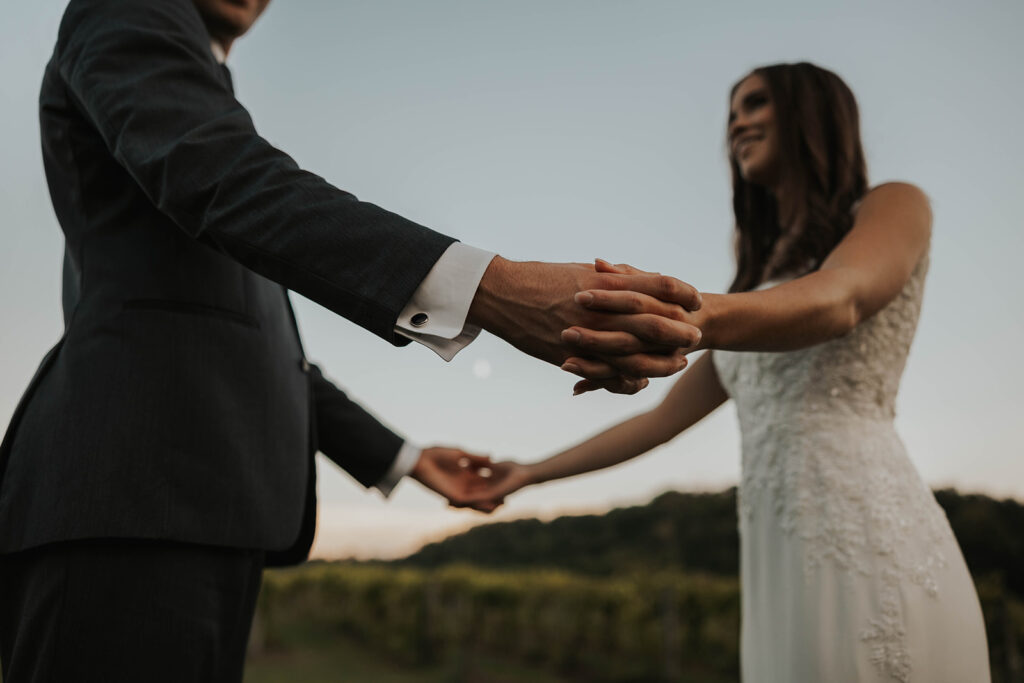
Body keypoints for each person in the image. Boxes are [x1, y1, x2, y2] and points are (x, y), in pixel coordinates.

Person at [0, 0, 705, 681]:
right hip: (128, 496)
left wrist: (405, 459)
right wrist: (490, 286)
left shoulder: (199, 84)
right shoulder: (125, 11)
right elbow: (221, 176)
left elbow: (249, 342)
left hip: (204, 503)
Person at [468, 62, 991, 682]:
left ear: (813, 112)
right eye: (732, 111)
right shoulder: (759, 287)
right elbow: (661, 420)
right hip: (778, 553)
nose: (737, 120)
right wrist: (528, 474)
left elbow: (842, 298)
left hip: (872, 533)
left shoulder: (891, 205)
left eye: (757, 102)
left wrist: (684, 311)